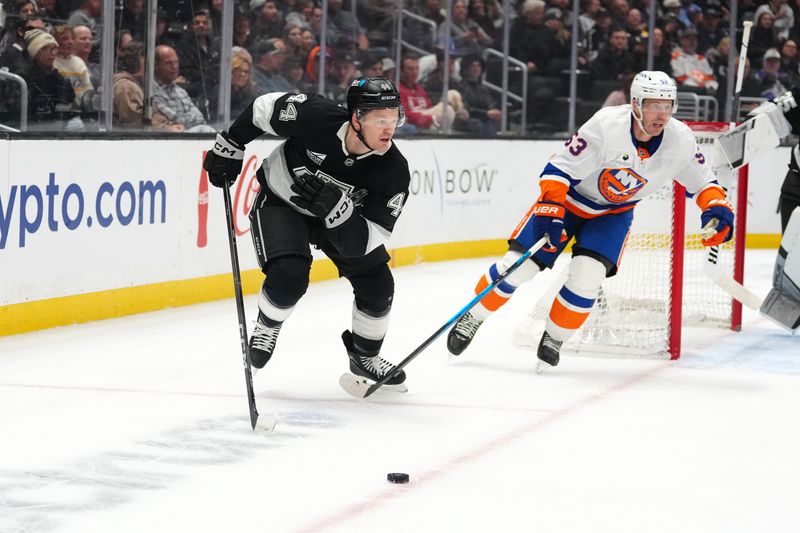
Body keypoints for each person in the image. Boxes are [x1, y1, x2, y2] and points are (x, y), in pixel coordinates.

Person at [445, 71, 735, 370]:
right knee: (518, 267)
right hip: (569, 202)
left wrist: (717, 209)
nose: (661, 114)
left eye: (667, 106)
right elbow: (559, 169)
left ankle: (555, 337)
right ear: (636, 104)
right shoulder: (607, 125)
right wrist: (550, 210)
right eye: (653, 105)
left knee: (588, 277)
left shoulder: (680, 140)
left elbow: (704, 184)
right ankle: (473, 316)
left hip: (612, 215)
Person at [202, 77, 412, 389]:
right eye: (380, 120)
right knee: (289, 275)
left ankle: (364, 356)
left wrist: (337, 211)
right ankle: (269, 323)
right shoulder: (316, 116)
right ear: (356, 118)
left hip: (338, 223)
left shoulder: (393, 170)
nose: (389, 129)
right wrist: (232, 142)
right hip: (281, 200)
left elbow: (366, 241)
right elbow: (263, 109)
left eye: (394, 119)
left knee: (379, 284)